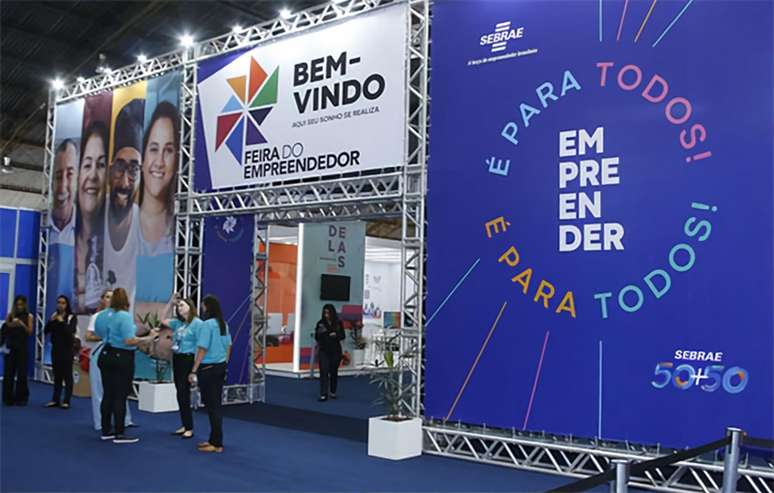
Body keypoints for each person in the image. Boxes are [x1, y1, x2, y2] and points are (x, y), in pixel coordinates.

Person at [94, 287, 153, 444]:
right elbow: (129, 340)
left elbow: (98, 334)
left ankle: (106, 430)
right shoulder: (124, 316)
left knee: (108, 394)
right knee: (120, 395)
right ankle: (119, 433)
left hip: (105, 355)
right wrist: (148, 339)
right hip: (121, 357)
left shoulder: (101, 315)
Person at [103, 99, 144, 309]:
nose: (125, 182)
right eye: (120, 168)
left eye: (133, 170)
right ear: (110, 169)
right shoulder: (92, 218)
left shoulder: (147, 228)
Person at [84, 289, 135, 432]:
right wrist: (109, 337)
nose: (110, 299)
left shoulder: (121, 315)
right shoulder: (98, 316)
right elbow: (88, 336)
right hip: (104, 351)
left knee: (118, 391)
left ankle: (124, 420)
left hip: (111, 353)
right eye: (106, 297)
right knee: (100, 389)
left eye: (112, 297)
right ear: (102, 299)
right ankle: (101, 423)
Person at [189, 295, 231, 453]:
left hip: (208, 369)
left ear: (207, 307)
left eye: (203, 306)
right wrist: (225, 362)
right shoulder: (223, 324)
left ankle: (217, 443)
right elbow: (229, 346)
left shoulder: (207, 325)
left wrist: (194, 369)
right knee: (215, 405)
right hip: (220, 367)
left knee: (212, 406)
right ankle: (214, 439)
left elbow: (202, 348)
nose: (201, 308)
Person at [75, 122, 109, 313]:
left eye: (101, 165)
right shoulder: (65, 246)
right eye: (87, 165)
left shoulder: (115, 248)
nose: (93, 175)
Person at [47, 140, 78, 323]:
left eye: (70, 175)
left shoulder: (86, 233)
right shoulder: (44, 233)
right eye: (58, 176)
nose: (63, 185)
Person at [165, 298, 201, 439]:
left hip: (188, 359)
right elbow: (162, 319)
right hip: (177, 358)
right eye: (178, 305)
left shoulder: (197, 323)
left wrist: (195, 368)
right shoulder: (178, 323)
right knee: (180, 392)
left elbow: (201, 345)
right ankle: (185, 424)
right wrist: (170, 303)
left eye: (182, 305)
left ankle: (189, 427)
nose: (179, 307)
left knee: (183, 391)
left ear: (190, 307)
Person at [44, 295, 78, 409]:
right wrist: (50, 321)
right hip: (56, 349)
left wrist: (62, 321)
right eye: (58, 302)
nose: (60, 305)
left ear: (67, 305)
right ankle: (55, 399)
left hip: (67, 349)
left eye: (63, 303)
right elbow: (46, 331)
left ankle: (66, 400)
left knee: (67, 375)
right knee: (57, 375)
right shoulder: (54, 315)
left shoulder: (71, 317)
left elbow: (70, 332)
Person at [1, 295, 33, 406]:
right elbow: (5, 328)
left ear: (24, 305)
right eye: (17, 304)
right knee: (8, 374)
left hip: (22, 348)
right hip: (11, 347)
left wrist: (22, 324)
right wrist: (11, 324)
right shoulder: (10, 315)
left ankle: (21, 398)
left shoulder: (29, 316)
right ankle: (7, 398)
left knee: (22, 374)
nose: (19, 307)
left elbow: (30, 332)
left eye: (21, 304)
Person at [315, 304, 345, 402]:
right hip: (324, 350)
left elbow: (342, 335)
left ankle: (332, 391)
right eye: (325, 313)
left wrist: (336, 334)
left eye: (328, 313)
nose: (326, 315)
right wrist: (325, 334)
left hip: (335, 351)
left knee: (333, 371)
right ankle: (323, 394)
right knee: (323, 371)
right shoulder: (320, 323)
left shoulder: (338, 323)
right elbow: (317, 337)